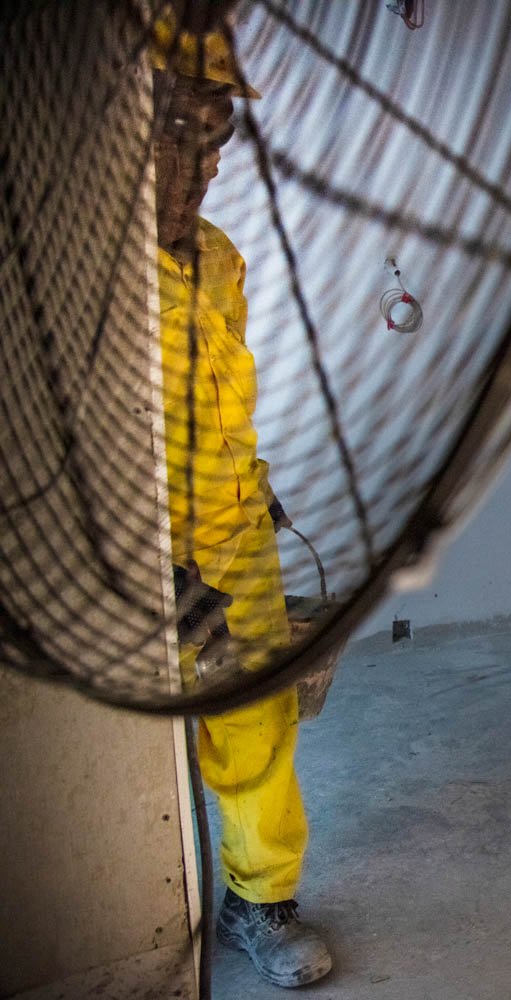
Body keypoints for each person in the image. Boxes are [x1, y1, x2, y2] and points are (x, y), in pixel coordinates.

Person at [151, 16, 333, 987]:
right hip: (129, 552)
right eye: (181, 138)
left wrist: (260, 502)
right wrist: (156, 568)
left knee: (260, 718)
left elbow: (227, 407)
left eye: (215, 139)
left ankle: (258, 900)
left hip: (232, 531)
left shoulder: (218, 260)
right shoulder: (81, 275)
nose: (204, 168)